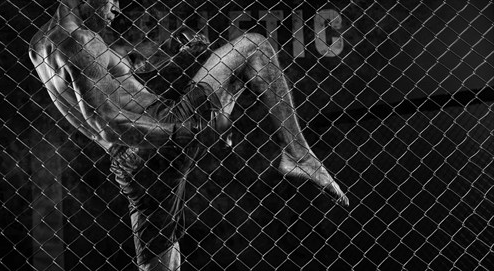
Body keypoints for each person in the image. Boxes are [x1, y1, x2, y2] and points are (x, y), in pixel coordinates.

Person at [29, 0, 349, 270]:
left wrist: (176, 54)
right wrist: (183, 133)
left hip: (128, 163)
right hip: (162, 133)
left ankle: (224, 125)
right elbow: (107, 122)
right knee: (254, 46)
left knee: (159, 265)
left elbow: (118, 74)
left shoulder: (41, 44)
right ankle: (299, 155)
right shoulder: (82, 41)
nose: (116, 6)